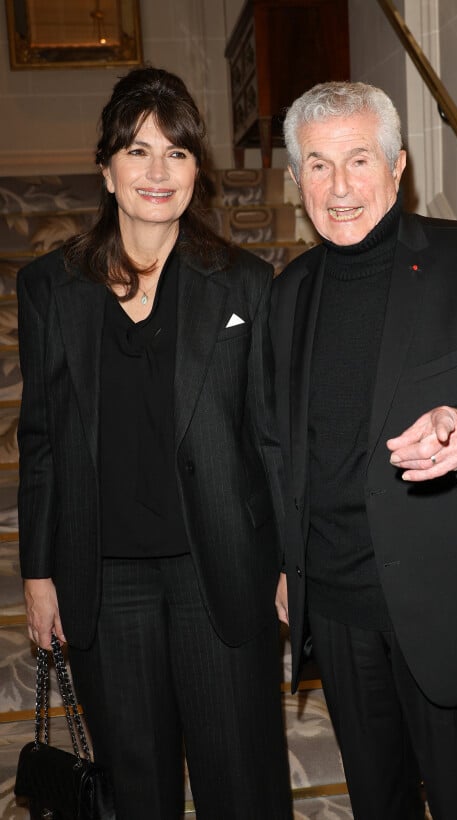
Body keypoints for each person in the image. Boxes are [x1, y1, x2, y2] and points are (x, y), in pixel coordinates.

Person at [270, 81, 457, 820]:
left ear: (399, 166)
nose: (339, 187)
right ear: (296, 176)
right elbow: (277, 440)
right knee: (378, 802)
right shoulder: (289, 291)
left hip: (451, 600)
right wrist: (283, 558)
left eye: (358, 160)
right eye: (317, 165)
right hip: (338, 605)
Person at [17, 66, 292, 820]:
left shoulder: (243, 284)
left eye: (176, 153)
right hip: (106, 574)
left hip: (223, 568)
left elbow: (269, 436)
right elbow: (38, 438)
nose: (157, 171)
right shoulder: (51, 287)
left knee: (242, 771)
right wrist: (38, 574)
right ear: (107, 170)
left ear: (196, 171)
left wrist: (286, 560)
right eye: (138, 151)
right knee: (134, 781)